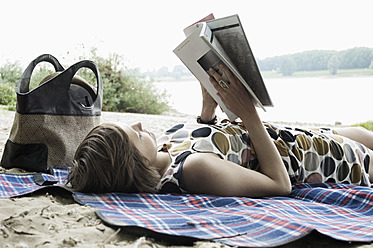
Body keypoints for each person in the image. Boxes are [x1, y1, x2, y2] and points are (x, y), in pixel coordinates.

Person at [67, 64, 373, 197]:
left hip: (302, 138)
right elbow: (279, 185)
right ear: (135, 163)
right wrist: (248, 114)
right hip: (321, 161)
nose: (139, 125)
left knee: (360, 131)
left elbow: (214, 144)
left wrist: (207, 109)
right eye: (134, 135)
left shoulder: (162, 148)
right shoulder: (194, 170)